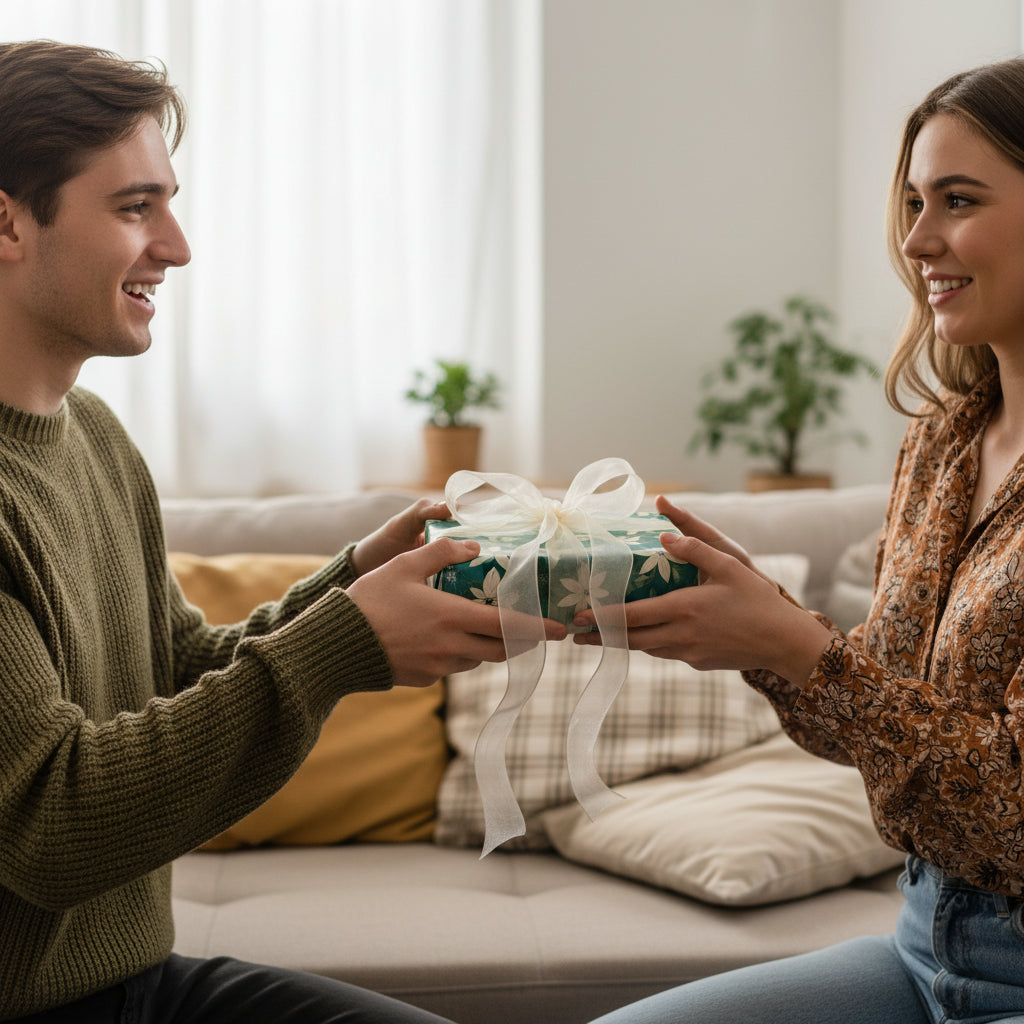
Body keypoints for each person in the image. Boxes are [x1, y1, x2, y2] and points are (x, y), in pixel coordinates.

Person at [0, 39, 565, 1023]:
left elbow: (177, 667)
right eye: (136, 207)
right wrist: (345, 643)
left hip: (134, 979)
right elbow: (56, 821)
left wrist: (349, 584)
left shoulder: (91, 435)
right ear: (7, 225)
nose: (175, 245)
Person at [574, 55, 1024, 1024]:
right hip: (924, 942)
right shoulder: (943, 441)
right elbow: (886, 714)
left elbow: (1013, 816)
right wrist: (757, 628)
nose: (916, 239)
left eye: (957, 199)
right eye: (910, 201)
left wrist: (791, 644)